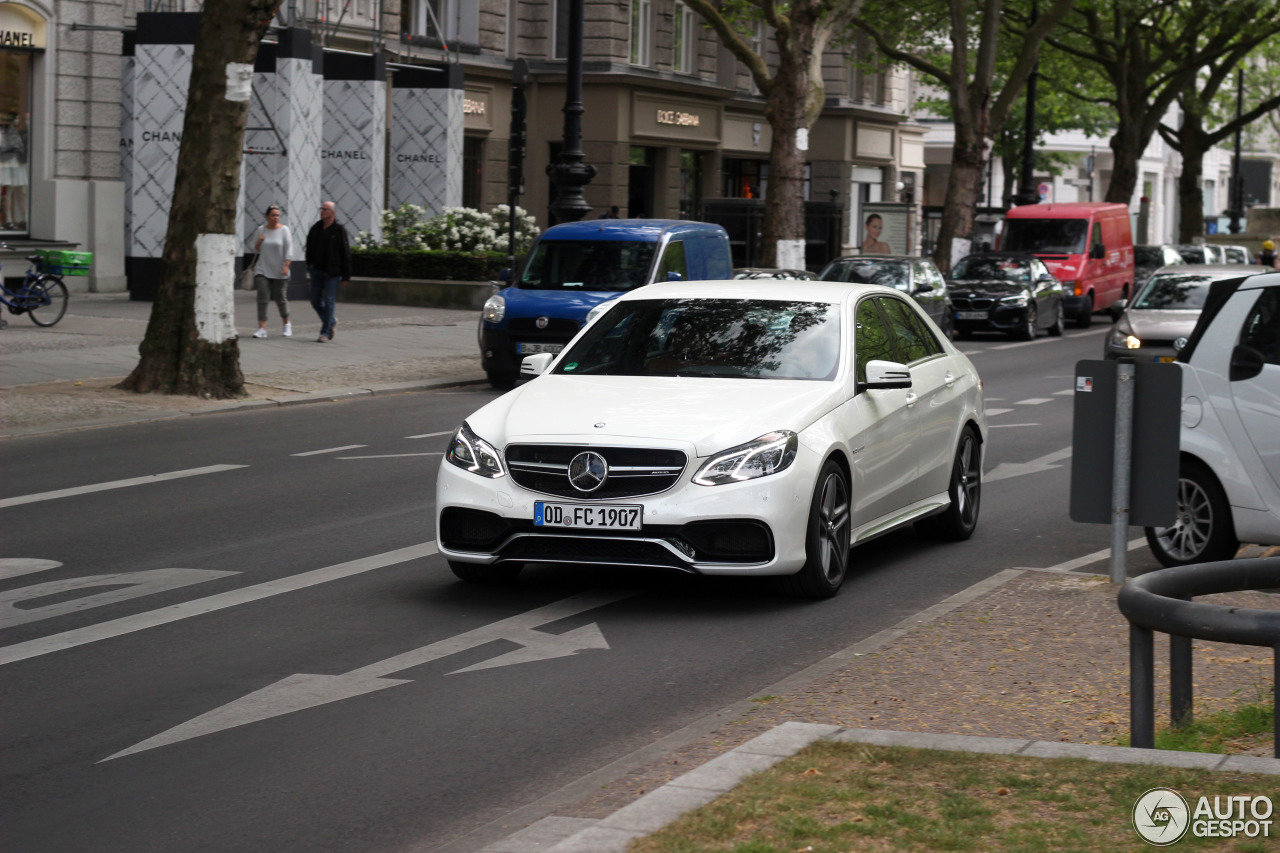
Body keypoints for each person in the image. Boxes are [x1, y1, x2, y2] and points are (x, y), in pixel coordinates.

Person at [305, 200, 351, 343]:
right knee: (314, 300)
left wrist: (345, 275)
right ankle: (331, 320)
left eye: (325, 209)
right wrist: (310, 265)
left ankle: (325, 332)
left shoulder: (339, 230)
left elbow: (345, 253)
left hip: (332, 272)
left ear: (332, 212)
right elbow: (309, 247)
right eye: (321, 209)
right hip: (317, 270)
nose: (322, 211)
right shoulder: (316, 228)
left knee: (329, 301)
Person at [248, 205, 293, 338]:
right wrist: (259, 242)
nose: (275, 218)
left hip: (280, 269)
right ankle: (262, 328)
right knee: (262, 297)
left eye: (277, 215)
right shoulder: (261, 230)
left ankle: (286, 323)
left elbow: (289, 250)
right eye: (273, 215)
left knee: (280, 297)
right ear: (267, 216)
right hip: (262, 268)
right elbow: (255, 249)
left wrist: (286, 266)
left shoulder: (284, 230)